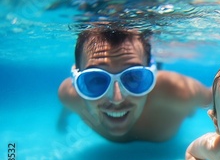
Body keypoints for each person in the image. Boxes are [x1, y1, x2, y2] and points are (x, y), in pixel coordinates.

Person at [58, 27, 211, 142]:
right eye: (97, 79)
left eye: (134, 77)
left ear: (154, 74)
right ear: (76, 81)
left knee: (189, 109)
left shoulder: (178, 91)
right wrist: (62, 119)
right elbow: (67, 106)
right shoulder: (69, 96)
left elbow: (216, 97)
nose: (116, 99)